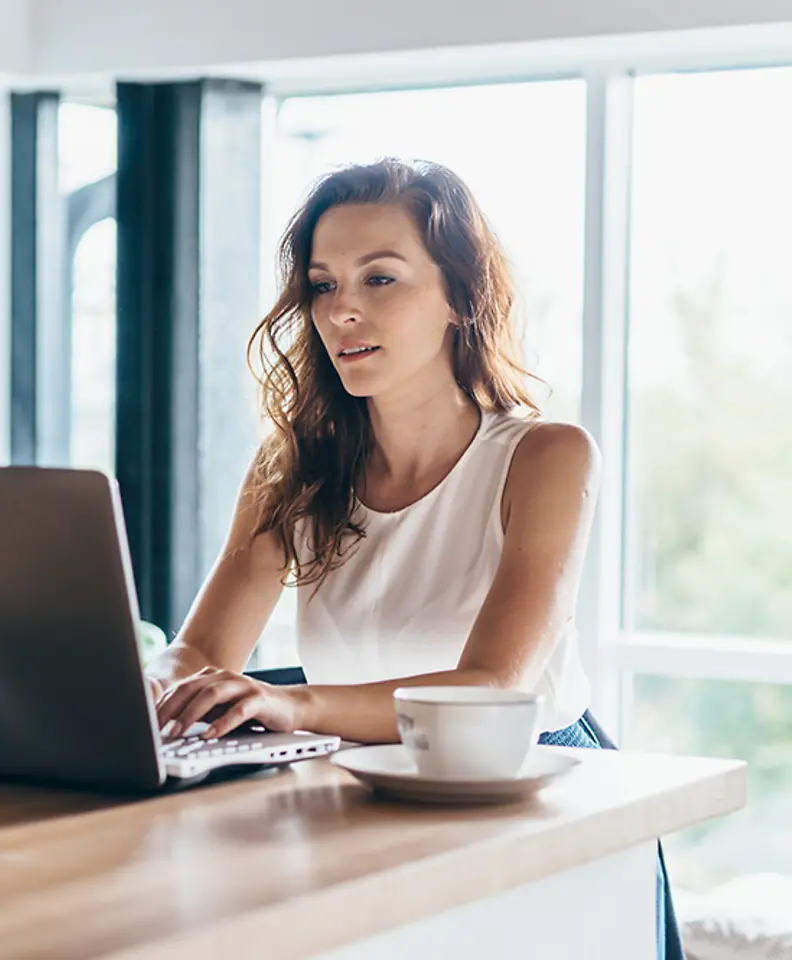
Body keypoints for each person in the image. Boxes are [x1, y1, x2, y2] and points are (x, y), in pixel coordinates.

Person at [142, 158, 682, 960]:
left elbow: (493, 688)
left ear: (460, 298)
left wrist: (296, 705)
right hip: (364, 794)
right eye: (323, 286)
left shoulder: (546, 456)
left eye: (381, 279)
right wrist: (141, 686)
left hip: (543, 801)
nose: (342, 311)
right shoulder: (289, 467)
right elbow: (198, 652)